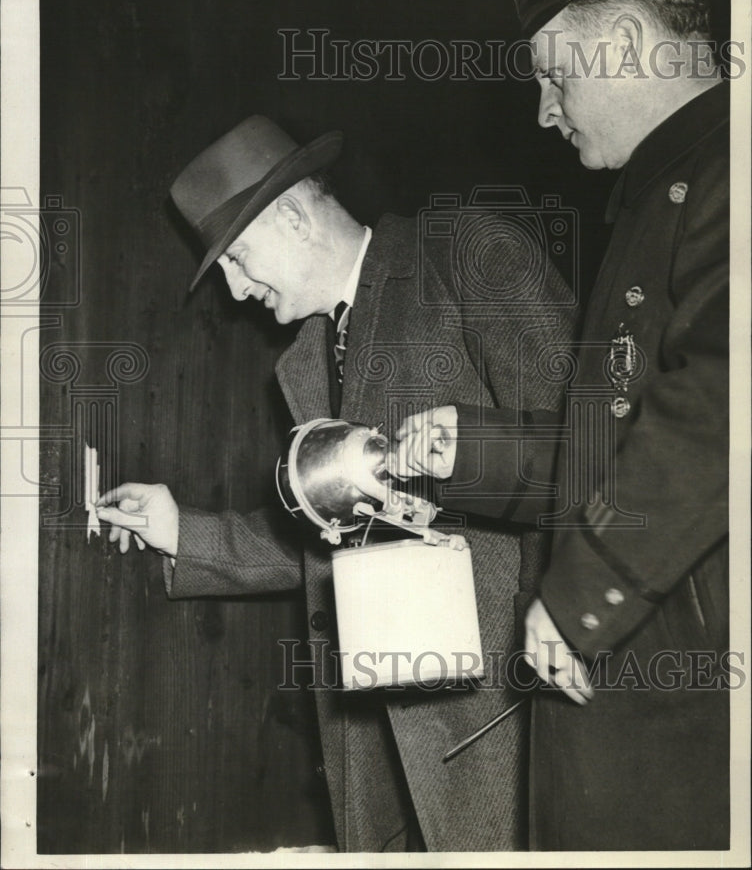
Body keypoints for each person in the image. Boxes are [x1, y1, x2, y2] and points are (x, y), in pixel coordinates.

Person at [96, 114, 576, 851]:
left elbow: (591, 452)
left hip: (500, 722)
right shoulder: (308, 357)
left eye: (237, 258)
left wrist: (569, 623)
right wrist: (182, 531)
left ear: (292, 217)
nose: (234, 289)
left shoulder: (464, 258)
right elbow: (336, 532)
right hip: (376, 742)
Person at [392, 0, 730, 851]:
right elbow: (624, 439)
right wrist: (473, 451)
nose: (545, 113)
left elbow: (720, 405)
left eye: (554, 77)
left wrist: (589, 597)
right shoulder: (666, 190)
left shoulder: (727, 173)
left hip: (686, 710)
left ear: (622, 44)